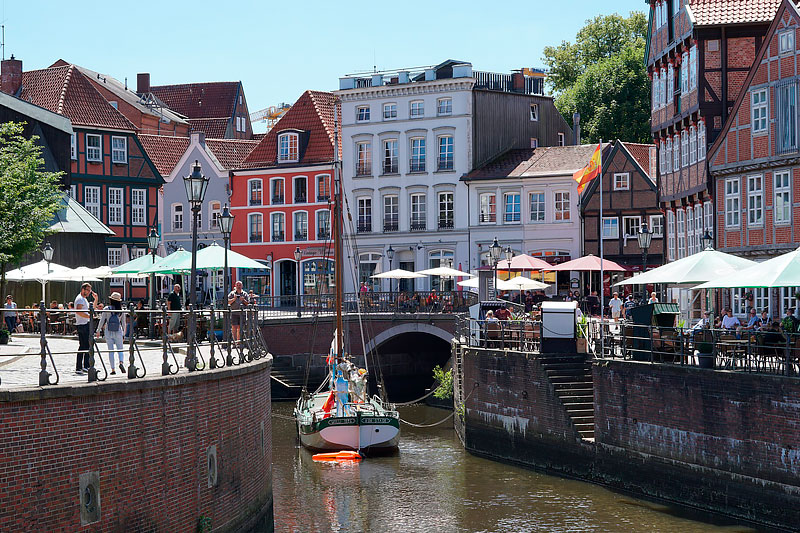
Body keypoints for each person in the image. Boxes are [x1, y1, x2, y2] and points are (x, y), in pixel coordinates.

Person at [96, 292, 127, 375]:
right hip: (118, 331)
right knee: (120, 349)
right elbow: (123, 323)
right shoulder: (121, 310)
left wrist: (98, 330)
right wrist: (124, 334)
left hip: (108, 331)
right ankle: (121, 362)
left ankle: (113, 369)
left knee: (111, 351)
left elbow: (102, 320)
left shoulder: (107, 308)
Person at [74, 283, 96, 374]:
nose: (89, 292)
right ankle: (80, 367)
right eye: (88, 290)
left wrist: (96, 299)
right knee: (83, 346)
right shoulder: (79, 299)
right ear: (83, 289)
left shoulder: (85, 299)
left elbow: (92, 309)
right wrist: (89, 317)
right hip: (82, 324)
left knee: (87, 345)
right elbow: (78, 311)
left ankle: (84, 365)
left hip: (85, 323)